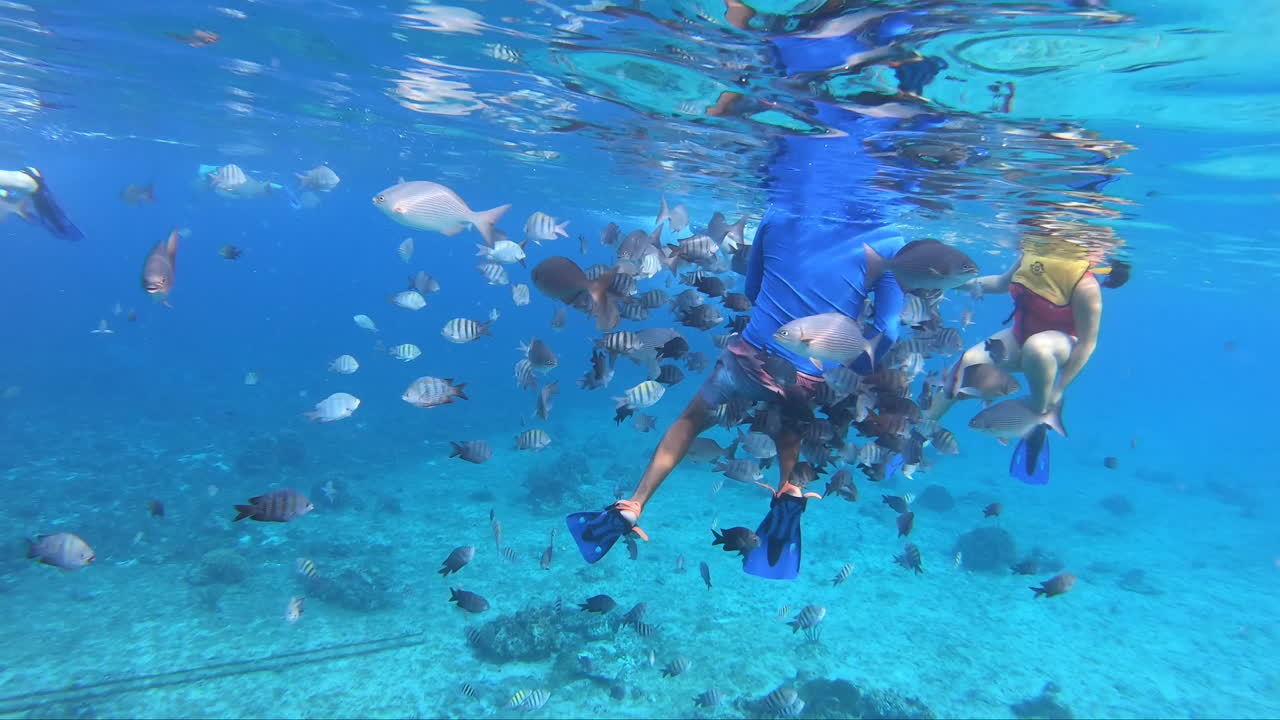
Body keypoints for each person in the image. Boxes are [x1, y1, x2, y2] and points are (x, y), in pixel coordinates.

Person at [565, 12, 947, 580]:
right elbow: (888, 330)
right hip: (811, 370)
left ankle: (634, 504)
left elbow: (749, 288)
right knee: (790, 418)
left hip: (750, 353)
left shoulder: (780, 210)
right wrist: (854, 363)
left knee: (691, 420)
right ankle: (788, 491)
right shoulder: (892, 241)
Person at [925, 216, 1126, 484]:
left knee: (1038, 348)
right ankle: (920, 429)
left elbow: (1087, 344)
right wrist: (952, 282)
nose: (1048, 238)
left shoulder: (1085, 284)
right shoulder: (1030, 256)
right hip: (1018, 337)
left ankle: (1040, 414)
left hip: (1060, 344)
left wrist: (1058, 389)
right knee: (967, 365)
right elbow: (1000, 283)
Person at [0, 166, 84, 240]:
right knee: (57, 224)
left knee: (59, 225)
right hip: (29, 180)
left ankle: (67, 232)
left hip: (33, 185)